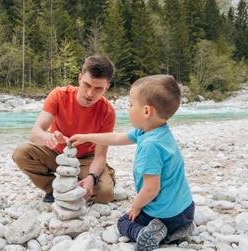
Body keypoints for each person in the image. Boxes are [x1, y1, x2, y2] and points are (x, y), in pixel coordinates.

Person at [69, 75, 195, 251]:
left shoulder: (150, 146)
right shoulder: (157, 131)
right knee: (168, 220)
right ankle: (180, 229)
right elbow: (116, 137)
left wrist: (135, 206)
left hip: (164, 215)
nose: (128, 109)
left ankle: (150, 234)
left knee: (124, 222)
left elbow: (151, 189)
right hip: (187, 209)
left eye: (130, 104)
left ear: (146, 111)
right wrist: (86, 136)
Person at [12, 55, 117, 204]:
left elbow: (100, 155)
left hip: (86, 158)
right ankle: (53, 188)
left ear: (107, 87)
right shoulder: (59, 95)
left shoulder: (107, 111)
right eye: (87, 85)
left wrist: (91, 178)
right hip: (56, 152)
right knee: (21, 153)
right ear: (80, 78)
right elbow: (35, 134)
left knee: (105, 194)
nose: (90, 94)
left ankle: (95, 177)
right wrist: (50, 138)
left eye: (98, 88)